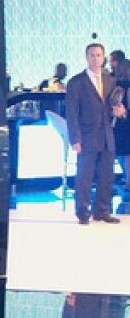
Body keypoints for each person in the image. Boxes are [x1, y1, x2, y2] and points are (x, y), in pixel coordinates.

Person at [66, 42, 125, 224]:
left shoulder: (111, 80)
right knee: (85, 176)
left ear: (103, 57)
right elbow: (72, 113)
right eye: (92, 55)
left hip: (107, 134)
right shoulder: (76, 82)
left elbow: (113, 105)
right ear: (86, 57)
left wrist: (120, 111)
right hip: (86, 135)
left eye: (98, 55)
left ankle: (102, 211)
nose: (95, 58)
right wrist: (75, 138)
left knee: (107, 175)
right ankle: (83, 212)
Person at [113, 56, 130, 194]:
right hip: (126, 121)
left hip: (117, 124)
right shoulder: (127, 87)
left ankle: (126, 178)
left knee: (122, 153)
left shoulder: (114, 86)